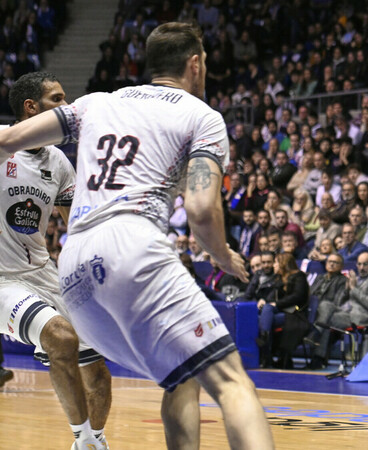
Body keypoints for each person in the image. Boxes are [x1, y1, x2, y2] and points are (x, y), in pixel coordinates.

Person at [0, 23, 273, 448]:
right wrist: (221, 256)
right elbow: (201, 210)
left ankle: (89, 440)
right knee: (233, 383)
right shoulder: (202, 116)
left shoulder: (98, 102)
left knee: (181, 376)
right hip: (130, 245)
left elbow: (10, 138)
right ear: (195, 65)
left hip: (73, 263)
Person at [0, 72, 113, 449]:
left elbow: (76, 226)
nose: (67, 108)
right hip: (2, 279)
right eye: (57, 99)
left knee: (97, 369)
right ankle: (82, 442)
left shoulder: (60, 162)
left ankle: (95, 441)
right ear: (31, 108)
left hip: (43, 273)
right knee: (61, 338)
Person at [307, 252, 368, 370]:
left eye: (365, 264)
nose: (362, 267)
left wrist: (353, 288)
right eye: (359, 264)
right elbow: (343, 300)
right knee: (325, 305)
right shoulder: (356, 278)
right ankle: (317, 341)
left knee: (325, 321)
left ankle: (318, 354)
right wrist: (347, 289)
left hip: (362, 316)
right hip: (346, 312)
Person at [263, 252, 310, 369]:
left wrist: (276, 303)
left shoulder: (299, 276)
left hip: (294, 314)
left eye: (276, 262)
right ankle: (265, 341)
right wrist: (264, 300)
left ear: (283, 264)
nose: (273, 265)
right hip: (281, 312)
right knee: (265, 309)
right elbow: (271, 296)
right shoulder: (278, 278)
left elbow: (297, 296)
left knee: (268, 310)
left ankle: (264, 344)